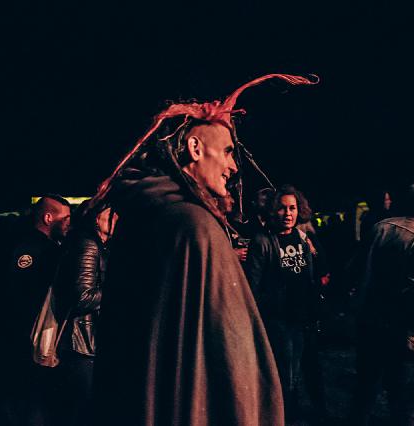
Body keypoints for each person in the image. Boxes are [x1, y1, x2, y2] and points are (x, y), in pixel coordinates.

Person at [92, 74, 317, 426]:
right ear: (195, 148)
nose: (233, 166)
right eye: (227, 151)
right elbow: (229, 356)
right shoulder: (194, 226)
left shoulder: (144, 215)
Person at [351, 178, 414, 426]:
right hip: (404, 334)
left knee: (363, 395)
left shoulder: (381, 227)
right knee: (403, 406)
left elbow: (356, 271)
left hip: (369, 325)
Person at [244, 184, 327, 423]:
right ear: (272, 210)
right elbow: (253, 286)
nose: (288, 213)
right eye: (282, 208)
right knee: (286, 375)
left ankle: (316, 413)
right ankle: (285, 417)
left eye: (292, 208)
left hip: (305, 316)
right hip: (280, 320)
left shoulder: (301, 237)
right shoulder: (262, 241)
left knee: (311, 368)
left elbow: (310, 275)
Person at [0, 194, 71, 426]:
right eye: (65, 218)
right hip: (25, 336)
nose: (69, 223)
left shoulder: (48, 246)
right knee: (26, 397)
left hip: (28, 335)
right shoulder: (31, 248)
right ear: (48, 218)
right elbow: (17, 293)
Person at [54, 201, 117, 426]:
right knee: (79, 410)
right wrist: (120, 289)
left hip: (87, 342)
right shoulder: (88, 244)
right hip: (81, 343)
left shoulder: (101, 245)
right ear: (96, 218)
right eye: (111, 213)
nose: (117, 218)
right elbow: (82, 297)